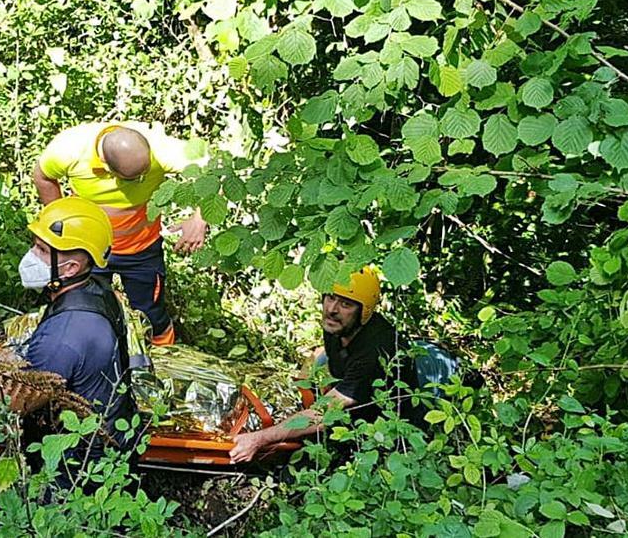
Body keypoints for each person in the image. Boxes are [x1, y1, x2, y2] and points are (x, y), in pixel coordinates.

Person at [33, 123, 208, 346]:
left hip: (142, 250)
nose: (140, 181)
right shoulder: (70, 148)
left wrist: (200, 219)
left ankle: (163, 361)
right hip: (90, 250)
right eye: (132, 179)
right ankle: (98, 354)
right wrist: (61, 225)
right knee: (85, 306)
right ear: (105, 165)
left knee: (151, 314)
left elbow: (217, 169)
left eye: (144, 175)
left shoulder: (161, 149)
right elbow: (42, 175)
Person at [228, 267, 419, 463]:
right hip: (351, 409)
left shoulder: (375, 353)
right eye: (330, 297)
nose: (332, 309)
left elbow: (323, 415)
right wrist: (300, 386)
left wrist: (258, 439)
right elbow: (322, 353)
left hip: (384, 438)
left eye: (345, 304)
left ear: (364, 311)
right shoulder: (338, 325)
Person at [18, 196, 137, 469]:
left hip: (79, 459)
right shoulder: (99, 290)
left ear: (70, 268)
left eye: (41, 250)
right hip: (114, 430)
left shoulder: (62, 338)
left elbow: (22, 401)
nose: (31, 256)